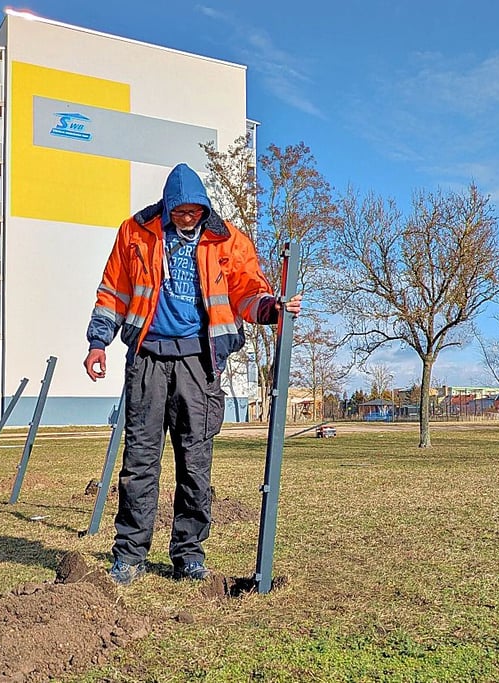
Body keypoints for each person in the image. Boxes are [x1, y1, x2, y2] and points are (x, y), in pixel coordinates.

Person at [84, 163, 301, 585]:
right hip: (147, 360)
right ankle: (129, 555)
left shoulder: (228, 241)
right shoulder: (135, 233)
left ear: (204, 208)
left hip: (198, 364)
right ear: (166, 208)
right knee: (139, 462)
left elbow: (248, 292)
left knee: (195, 464)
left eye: (193, 212)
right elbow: (113, 290)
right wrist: (98, 342)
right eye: (179, 212)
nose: (186, 218)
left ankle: (188, 555)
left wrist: (273, 309)